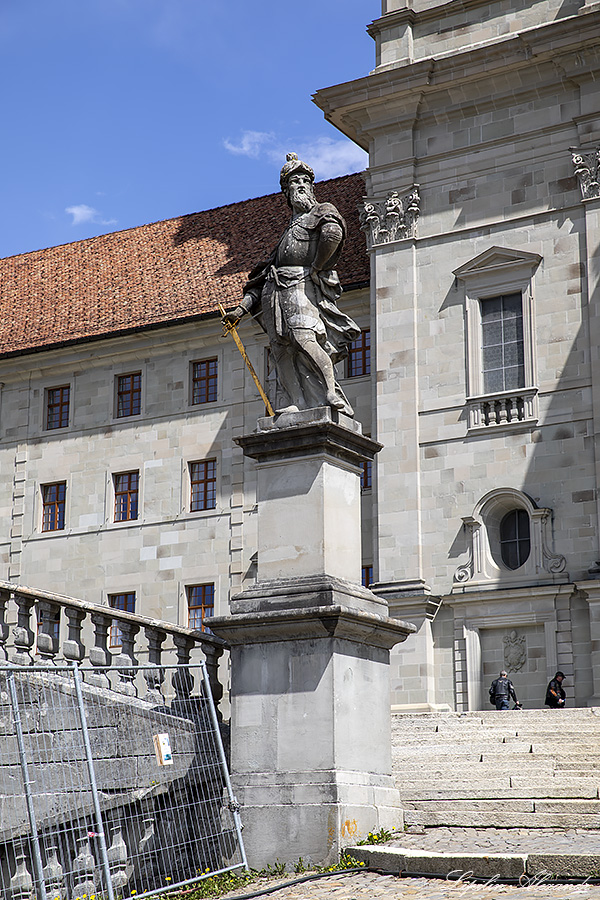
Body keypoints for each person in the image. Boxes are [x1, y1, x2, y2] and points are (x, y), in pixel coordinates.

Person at [223, 153, 361, 416]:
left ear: (311, 186)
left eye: (303, 181)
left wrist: (319, 267)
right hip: (273, 291)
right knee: (280, 349)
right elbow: (261, 276)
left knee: (304, 337)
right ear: (286, 193)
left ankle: (329, 390)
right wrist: (240, 311)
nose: (299, 185)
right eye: (292, 182)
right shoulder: (288, 229)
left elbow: (333, 233)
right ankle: (295, 400)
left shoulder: (323, 210)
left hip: (300, 285)